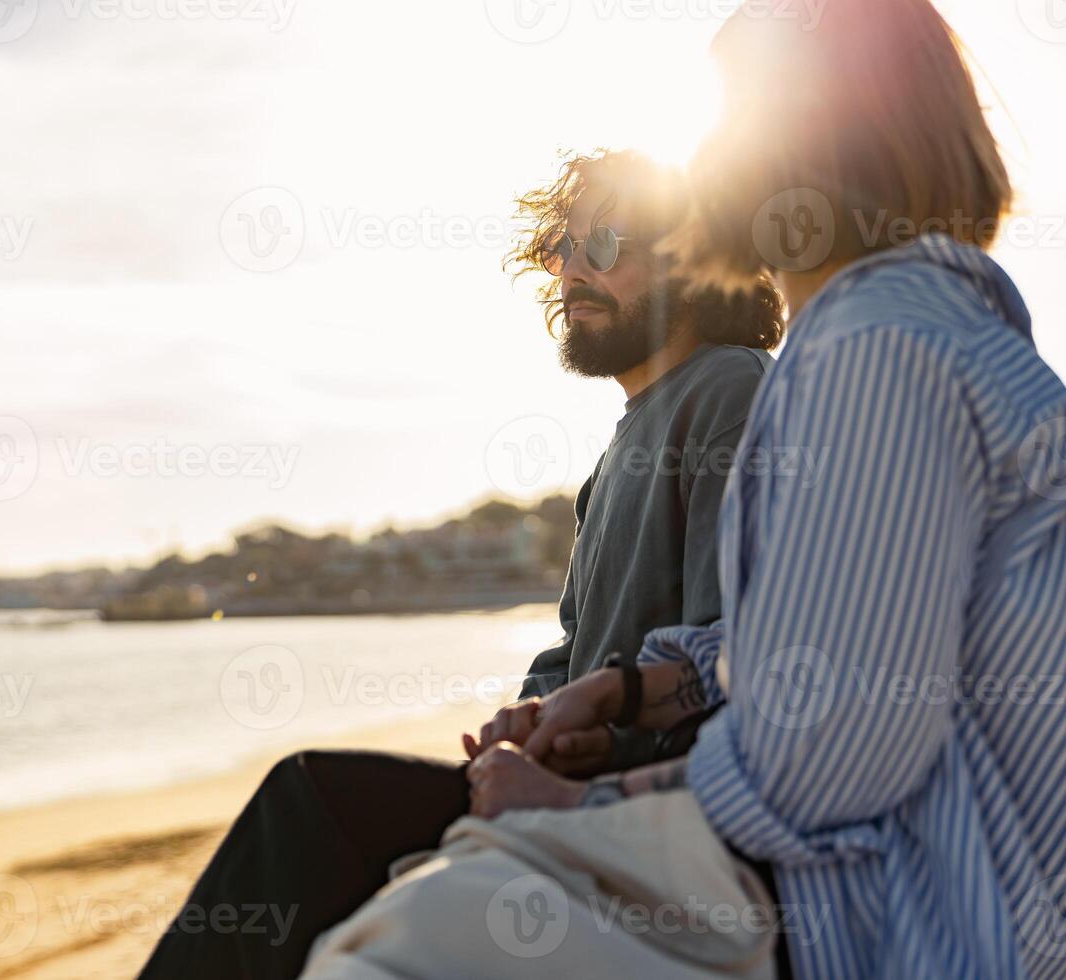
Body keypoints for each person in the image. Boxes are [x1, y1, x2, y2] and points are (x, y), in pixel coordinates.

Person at [300, 1, 1066, 977]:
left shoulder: (875, 348)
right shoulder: (915, 336)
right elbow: (812, 650)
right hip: (883, 886)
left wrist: (581, 805)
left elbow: (829, 759)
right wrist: (626, 684)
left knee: (396, 942)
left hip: (900, 921)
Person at [136, 149, 787, 979]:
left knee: (308, 805)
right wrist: (522, 723)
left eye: (608, 245)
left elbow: (725, 657)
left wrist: (579, 760)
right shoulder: (617, 454)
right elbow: (566, 657)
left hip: (638, 820)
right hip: (562, 782)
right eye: (564, 248)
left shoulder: (726, 392)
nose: (573, 273)